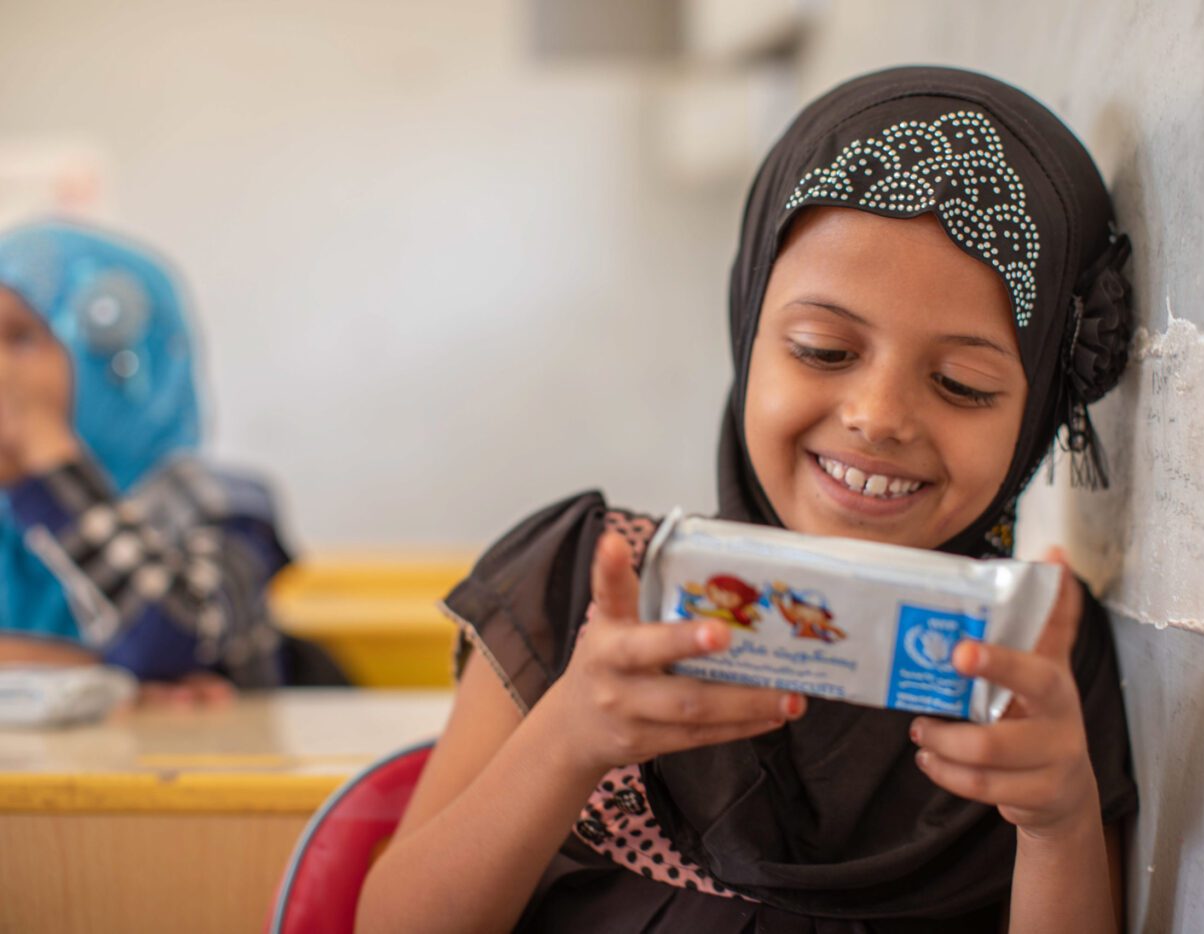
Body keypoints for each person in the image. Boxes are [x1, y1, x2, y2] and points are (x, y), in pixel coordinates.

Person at [358, 66, 1138, 932]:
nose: (877, 418)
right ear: (749, 331)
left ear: (1038, 412)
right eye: (822, 349)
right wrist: (569, 737)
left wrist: (1057, 822)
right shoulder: (591, 590)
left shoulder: (1028, 664)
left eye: (960, 384)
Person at [0, 220, 342, 697]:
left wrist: (51, 460)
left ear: (115, 360)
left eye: (21, 339)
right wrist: (102, 675)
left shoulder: (217, 503)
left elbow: (168, 645)